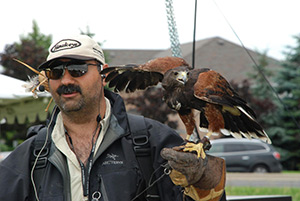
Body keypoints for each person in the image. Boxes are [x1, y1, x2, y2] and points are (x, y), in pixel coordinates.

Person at [0, 35, 226, 201]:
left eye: (78, 69)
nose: (66, 79)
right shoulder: (29, 157)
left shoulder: (153, 141)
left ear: (102, 74)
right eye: (56, 72)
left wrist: (206, 183)